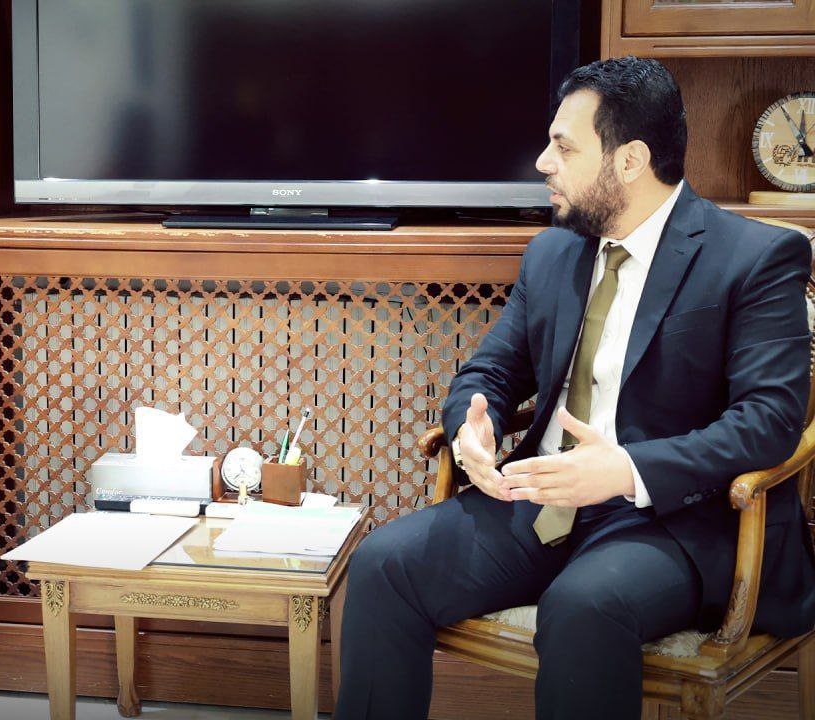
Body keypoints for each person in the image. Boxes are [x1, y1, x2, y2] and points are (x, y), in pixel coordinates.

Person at [335, 57, 815, 720]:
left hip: (676, 520)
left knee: (585, 606)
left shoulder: (753, 257)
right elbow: (491, 371)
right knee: (384, 563)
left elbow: (769, 421)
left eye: (564, 147)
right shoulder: (554, 252)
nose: (542, 163)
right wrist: (473, 424)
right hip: (541, 501)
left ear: (630, 160)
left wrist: (625, 469)